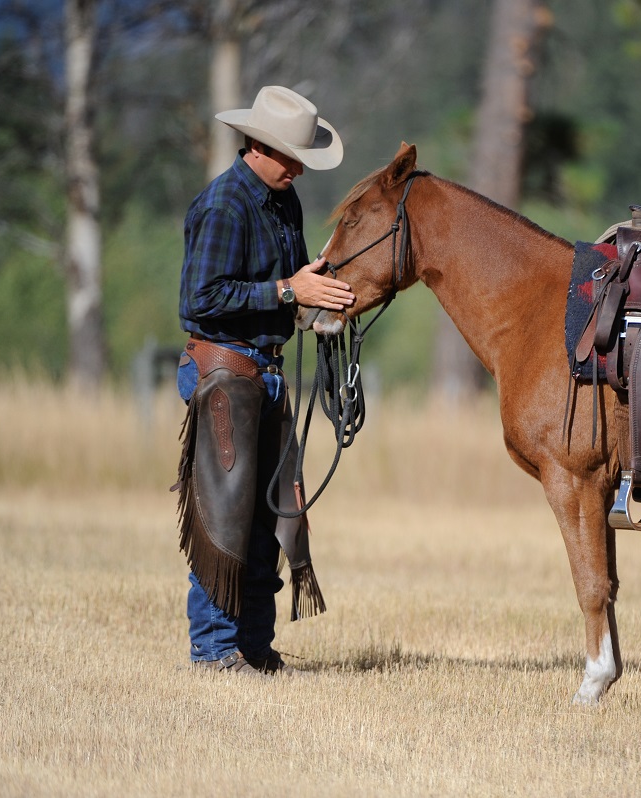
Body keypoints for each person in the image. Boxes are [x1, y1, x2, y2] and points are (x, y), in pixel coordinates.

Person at [174, 85, 354, 675]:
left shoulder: (284, 200)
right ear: (256, 145)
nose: (297, 167)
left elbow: (296, 283)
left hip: (266, 373)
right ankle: (216, 650)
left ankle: (254, 645)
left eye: (302, 157)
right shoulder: (225, 205)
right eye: (288, 155)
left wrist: (317, 293)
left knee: (270, 516)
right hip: (224, 373)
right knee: (225, 511)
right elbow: (199, 300)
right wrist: (286, 292)